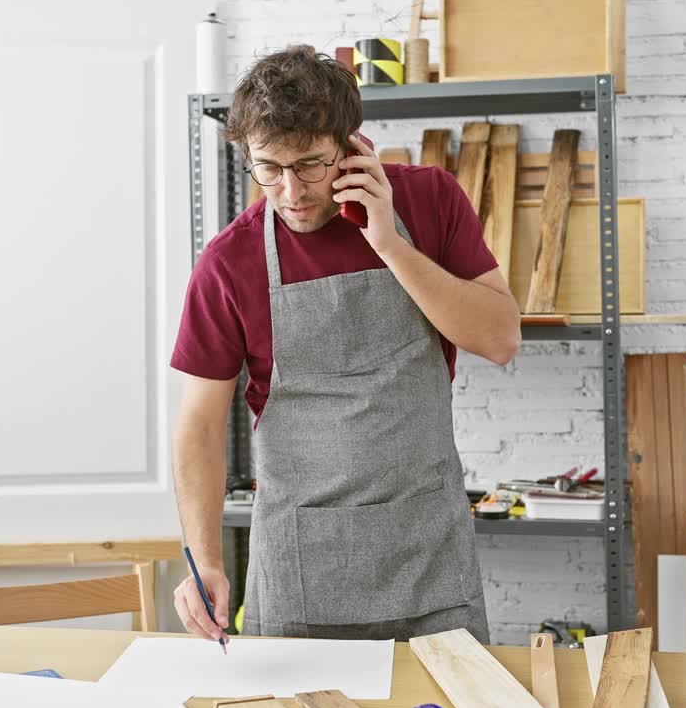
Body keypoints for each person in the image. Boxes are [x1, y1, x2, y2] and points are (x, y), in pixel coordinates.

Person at [169, 45, 521, 644]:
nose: (291, 191)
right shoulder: (229, 262)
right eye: (268, 168)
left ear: (351, 146)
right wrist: (203, 559)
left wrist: (388, 243)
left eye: (310, 164)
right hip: (301, 564)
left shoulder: (429, 201)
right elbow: (199, 425)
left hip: (429, 554)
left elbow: (500, 338)